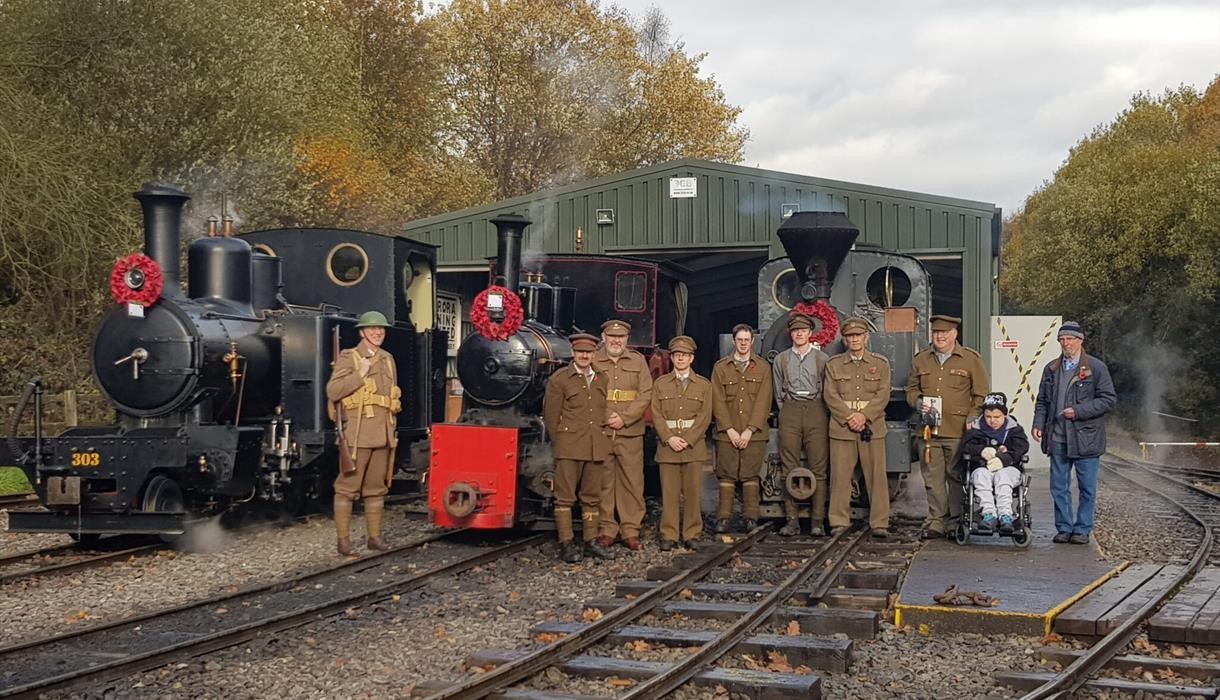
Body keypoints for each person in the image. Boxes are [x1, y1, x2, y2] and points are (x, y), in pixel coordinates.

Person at [1032, 322, 1117, 544]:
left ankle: (1082, 530)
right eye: (1062, 339)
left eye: (1070, 339)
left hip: (1086, 438)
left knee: (1087, 488)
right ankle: (1063, 528)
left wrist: (1078, 411)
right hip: (1058, 438)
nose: (1065, 343)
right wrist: (1038, 424)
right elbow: (1042, 401)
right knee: (1058, 487)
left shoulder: (1096, 368)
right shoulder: (1051, 369)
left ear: (1080, 341)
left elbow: (1108, 400)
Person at [906, 314, 989, 540]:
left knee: (956, 476)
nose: (939, 337)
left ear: (955, 334)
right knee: (932, 479)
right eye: (936, 333)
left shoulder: (971, 360)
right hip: (929, 430)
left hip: (958, 429)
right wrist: (919, 402)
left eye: (944, 333)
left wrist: (973, 416)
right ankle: (936, 521)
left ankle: (956, 520)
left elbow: (981, 394)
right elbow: (911, 390)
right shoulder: (921, 360)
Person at [327, 311, 402, 556]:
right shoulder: (351, 357)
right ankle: (343, 541)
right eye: (372, 329)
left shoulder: (388, 358)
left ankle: (374, 537)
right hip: (359, 434)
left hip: (382, 432)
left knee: (375, 488)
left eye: (381, 329)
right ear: (362, 332)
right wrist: (359, 374)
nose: (378, 332)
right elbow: (333, 390)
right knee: (347, 488)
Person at [542, 333, 616, 563]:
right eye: (580, 352)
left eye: (588, 352)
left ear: (594, 354)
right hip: (569, 447)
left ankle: (590, 541)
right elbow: (551, 417)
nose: (584, 356)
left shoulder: (602, 378)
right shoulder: (560, 379)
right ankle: (566, 542)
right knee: (564, 498)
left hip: (595, 446)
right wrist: (561, 443)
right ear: (573, 353)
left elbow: (601, 411)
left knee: (592, 497)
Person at [824, 317, 892, 538]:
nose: (854, 339)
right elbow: (830, 395)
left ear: (866, 337)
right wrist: (849, 417)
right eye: (850, 336)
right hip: (842, 428)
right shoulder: (833, 365)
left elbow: (883, 394)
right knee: (840, 477)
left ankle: (880, 522)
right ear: (845, 339)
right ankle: (838, 520)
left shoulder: (880, 364)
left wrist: (864, 416)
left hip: (871, 428)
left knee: (877, 477)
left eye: (858, 335)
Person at [593, 319, 654, 552]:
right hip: (602, 429)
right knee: (604, 482)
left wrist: (625, 418)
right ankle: (607, 529)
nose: (616, 340)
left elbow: (645, 392)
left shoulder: (638, 361)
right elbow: (590, 392)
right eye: (611, 336)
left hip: (630, 431)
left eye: (620, 337)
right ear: (604, 337)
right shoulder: (595, 360)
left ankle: (630, 530)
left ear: (627, 339)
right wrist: (608, 417)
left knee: (632, 481)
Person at [651, 335, 713, 551]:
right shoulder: (660, 384)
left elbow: (705, 416)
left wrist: (687, 439)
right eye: (677, 355)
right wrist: (669, 437)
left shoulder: (704, 385)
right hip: (668, 446)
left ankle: (692, 533)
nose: (680, 359)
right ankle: (668, 534)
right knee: (669, 493)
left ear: (692, 358)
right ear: (672, 358)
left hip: (693, 447)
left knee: (693, 492)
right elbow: (656, 414)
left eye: (684, 355)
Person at [710, 324, 773, 533]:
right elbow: (717, 401)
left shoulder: (763, 368)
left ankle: (750, 517)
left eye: (747, 340)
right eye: (740, 340)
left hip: (753, 434)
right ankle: (723, 518)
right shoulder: (721, 368)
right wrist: (729, 429)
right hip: (727, 433)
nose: (743, 343)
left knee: (750, 475)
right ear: (734, 340)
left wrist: (749, 430)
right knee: (726, 475)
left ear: (752, 341)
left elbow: (764, 402)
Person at [772, 313, 831, 536]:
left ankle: (817, 520)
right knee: (789, 466)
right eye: (796, 331)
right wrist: (787, 409)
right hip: (790, 410)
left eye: (803, 331)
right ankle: (792, 520)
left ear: (809, 333)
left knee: (819, 466)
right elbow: (778, 392)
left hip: (816, 410)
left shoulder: (822, 359)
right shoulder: (781, 360)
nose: (799, 334)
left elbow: (827, 389)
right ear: (791, 334)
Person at [959, 392, 1029, 534]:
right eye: (988, 417)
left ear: (1005, 415)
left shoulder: (1014, 429)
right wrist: (981, 451)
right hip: (983, 467)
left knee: (1002, 477)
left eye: (997, 417)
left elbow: (1021, 448)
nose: (992, 421)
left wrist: (1004, 459)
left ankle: (1005, 515)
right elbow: (966, 447)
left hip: (1008, 468)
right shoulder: (976, 429)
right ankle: (988, 514)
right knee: (980, 476)